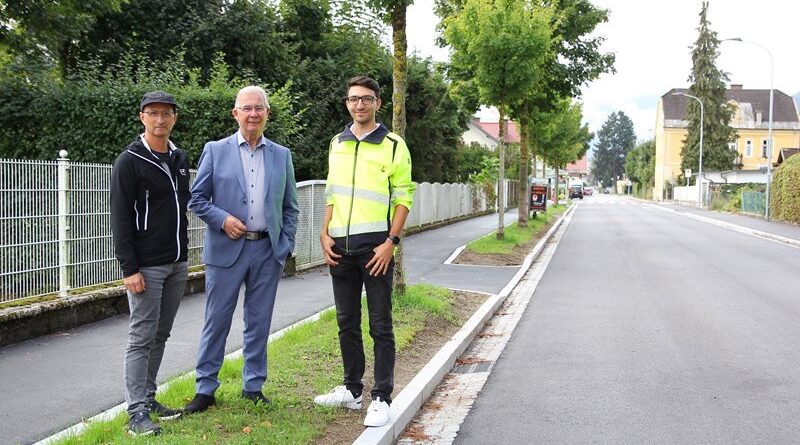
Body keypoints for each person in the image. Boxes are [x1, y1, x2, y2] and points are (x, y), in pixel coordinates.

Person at [184, 85, 299, 413]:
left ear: (267, 114)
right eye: (246, 108)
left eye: (258, 108)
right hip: (226, 250)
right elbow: (197, 198)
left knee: (259, 321)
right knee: (216, 320)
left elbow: (290, 207)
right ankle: (205, 389)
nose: (253, 114)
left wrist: (284, 243)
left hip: (267, 251)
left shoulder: (281, 155)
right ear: (236, 113)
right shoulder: (215, 150)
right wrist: (222, 220)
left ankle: (253, 386)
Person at [314, 76, 415, 427]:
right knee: (346, 322)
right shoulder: (336, 143)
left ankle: (382, 397)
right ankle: (352, 390)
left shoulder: (392, 145)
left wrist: (391, 242)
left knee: (380, 324)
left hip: (376, 249)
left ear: (378, 104)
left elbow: (404, 196)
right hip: (339, 249)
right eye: (354, 99)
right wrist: (324, 235)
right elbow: (331, 194)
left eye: (367, 99)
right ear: (347, 103)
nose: (360, 105)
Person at [110, 91, 190, 436]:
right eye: (153, 113)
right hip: (146, 266)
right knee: (141, 337)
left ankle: (149, 396)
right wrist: (129, 268)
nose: (160, 120)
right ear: (142, 117)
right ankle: (136, 413)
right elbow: (120, 218)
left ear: (174, 117)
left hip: (176, 263)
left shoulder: (179, 157)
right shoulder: (129, 160)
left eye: (166, 114)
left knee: (161, 332)